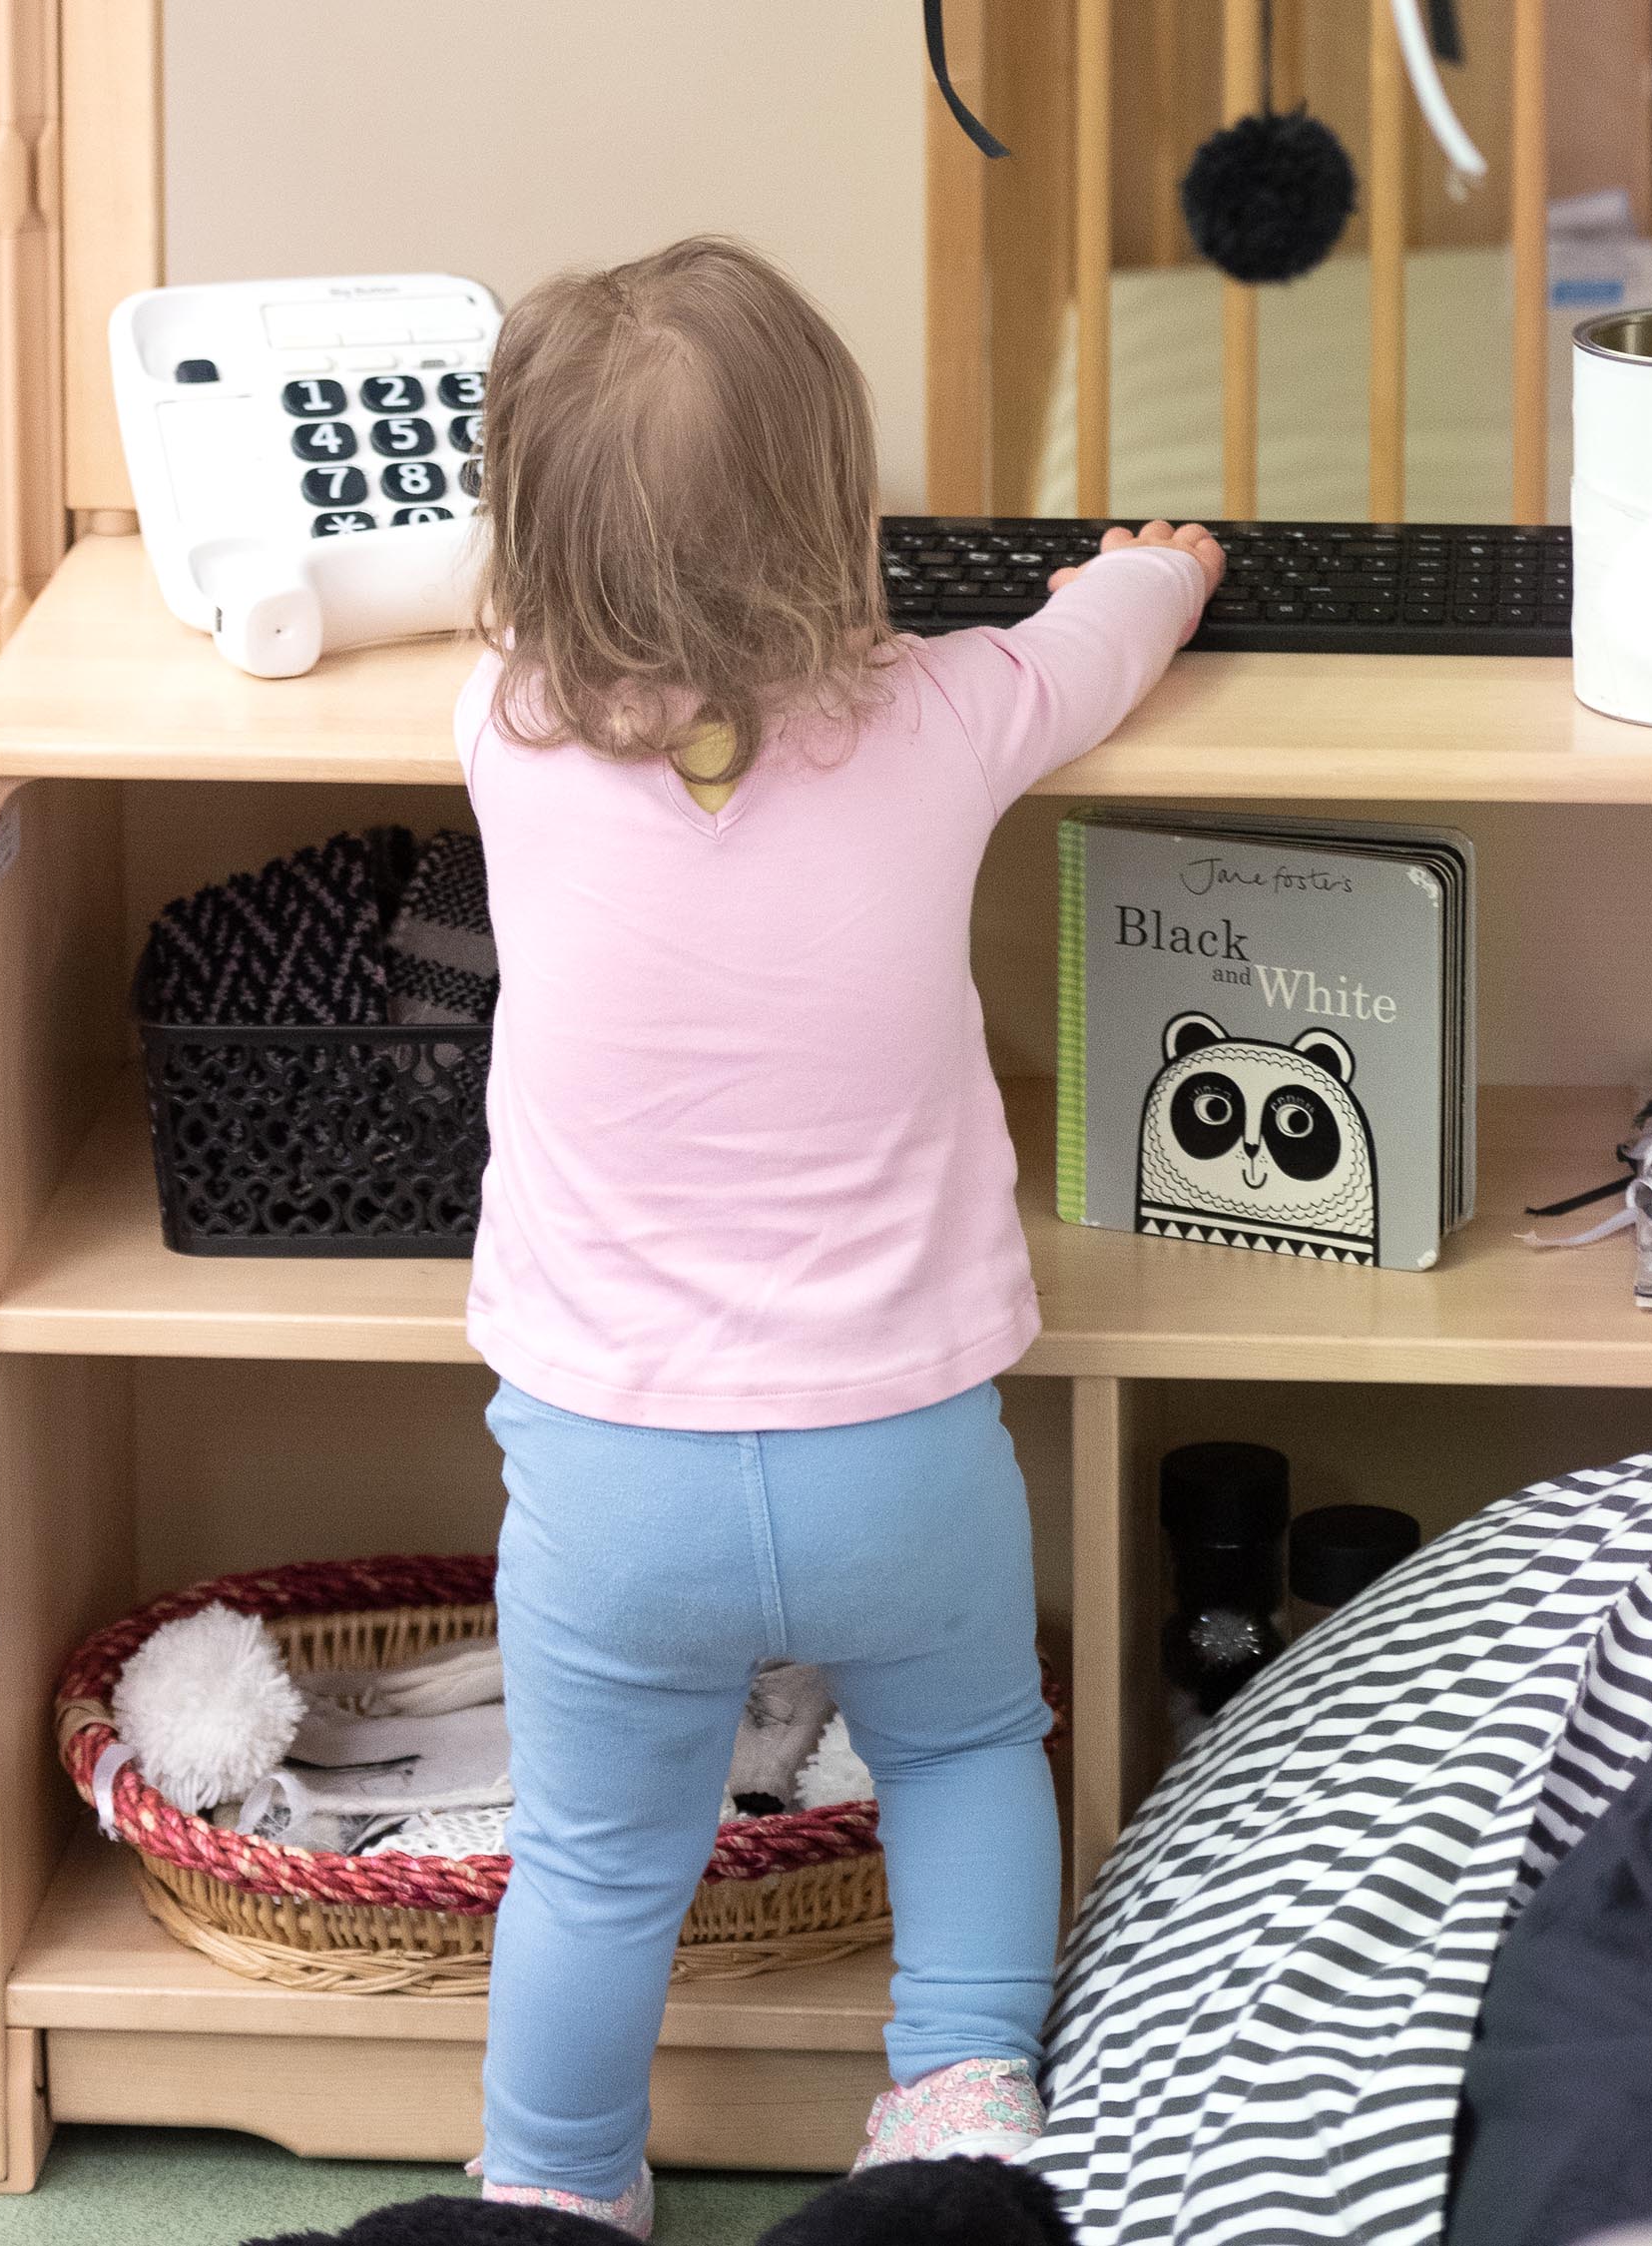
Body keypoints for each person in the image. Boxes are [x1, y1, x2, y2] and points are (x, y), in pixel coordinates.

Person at [457, 234, 1223, 2234]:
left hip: (613, 1472)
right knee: (969, 1752)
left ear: (525, 554)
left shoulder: (503, 731)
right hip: (902, 1450)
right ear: (834, 511)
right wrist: (1163, 567)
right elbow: (1101, 641)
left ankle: (549, 2190)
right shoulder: (947, 717)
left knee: (596, 1860)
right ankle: (958, 2128)